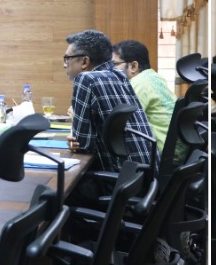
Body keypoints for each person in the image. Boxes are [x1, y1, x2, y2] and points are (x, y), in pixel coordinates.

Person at [63, 30, 160, 175]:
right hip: (146, 173)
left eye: (67, 58)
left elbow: (82, 145)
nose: (64, 65)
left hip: (120, 177)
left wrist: (74, 140)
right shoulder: (119, 74)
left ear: (84, 61)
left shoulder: (86, 79)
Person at [111, 40, 177, 151]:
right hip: (175, 149)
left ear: (133, 66)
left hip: (160, 152)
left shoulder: (137, 84)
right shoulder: (155, 77)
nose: (111, 69)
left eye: (115, 64)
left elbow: (121, 125)